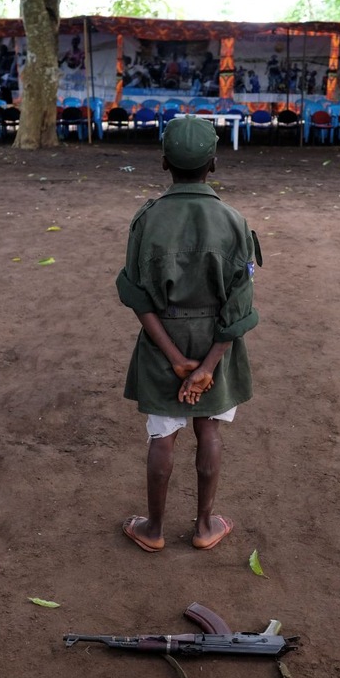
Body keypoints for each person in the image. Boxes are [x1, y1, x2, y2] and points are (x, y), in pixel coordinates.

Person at [115, 117, 261, 553]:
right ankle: (204, 525)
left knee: (162, 433)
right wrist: (207, 367)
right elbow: (239, 305)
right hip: (215, 338)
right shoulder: (234, 222)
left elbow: (137, 295)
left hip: (164, 337)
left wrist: (175, 358)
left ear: (163, 162)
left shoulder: (147, 220)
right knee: (209, 430)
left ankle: (153, 529)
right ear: (213, 163)